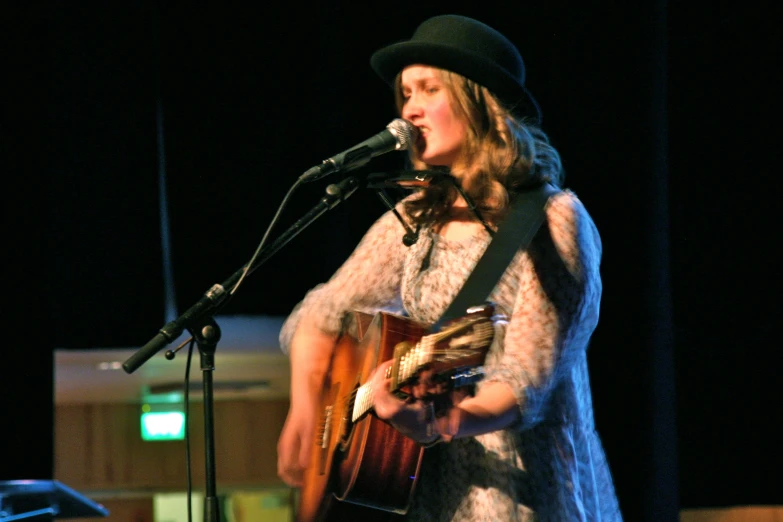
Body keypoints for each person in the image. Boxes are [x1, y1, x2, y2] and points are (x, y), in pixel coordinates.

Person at [276, 13, 622, 522]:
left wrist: (442, 424)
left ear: (478, 101)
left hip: (528, 489)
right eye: (405, 93)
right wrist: (306, 409)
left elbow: (527, 379)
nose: (409, 110)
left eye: (428, 89)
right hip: (434, 492)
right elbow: (323, 312)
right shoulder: (413, 220)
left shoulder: (552, 219)